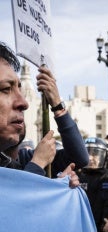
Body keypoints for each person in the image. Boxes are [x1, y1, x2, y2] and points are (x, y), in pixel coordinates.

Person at [0, 41, 80, 186]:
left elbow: (79, 158)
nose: (23, 103)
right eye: (6, 89)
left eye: (20, 89)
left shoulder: (16, 161)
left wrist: (58, 106)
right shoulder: (33, 160)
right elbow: (12, 203)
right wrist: (37, 164)